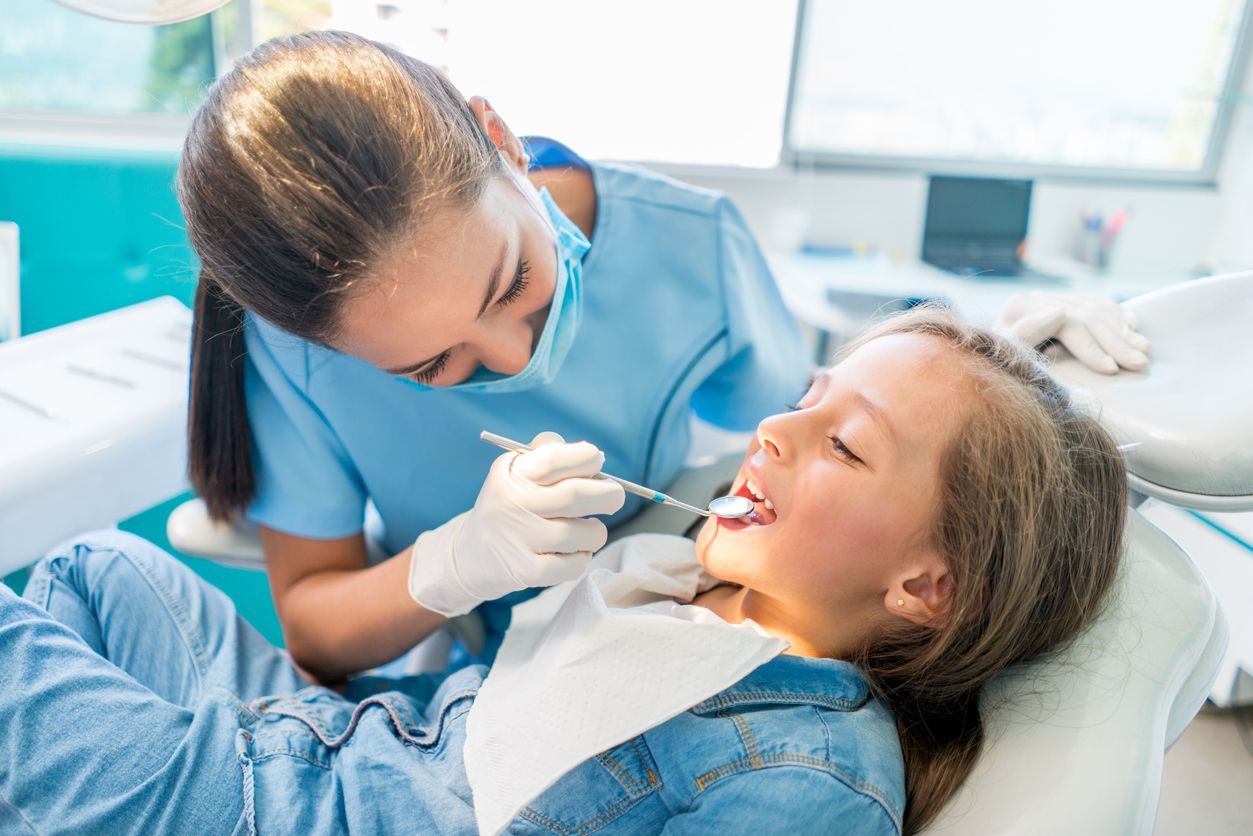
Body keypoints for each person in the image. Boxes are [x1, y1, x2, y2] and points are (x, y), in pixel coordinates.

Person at [0, 308, 1126, 834]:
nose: (775, 429)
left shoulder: (814, 774)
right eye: (805, 394)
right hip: (330, 737)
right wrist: (985, 353)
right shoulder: (677, 585)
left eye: (841, 441)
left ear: (927, 587)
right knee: (99, 569)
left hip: (287, 810)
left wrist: (1004, 424)